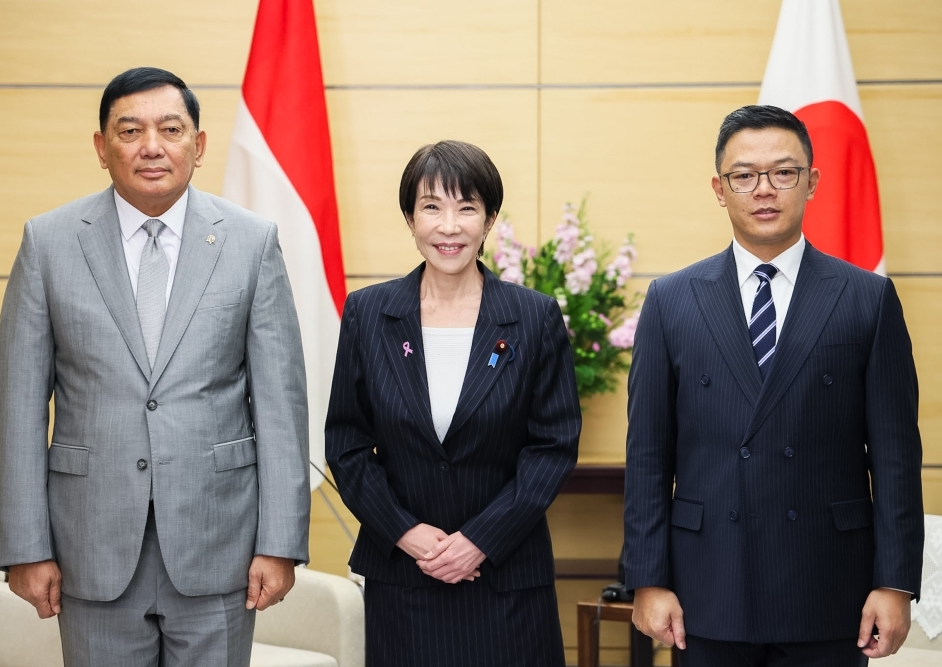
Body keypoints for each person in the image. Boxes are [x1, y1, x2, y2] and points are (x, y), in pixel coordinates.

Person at [0, 67, 310, 665]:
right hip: (91, 546)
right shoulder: (49, 242)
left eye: (170, 129)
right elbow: (18, 408)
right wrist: (25, 546)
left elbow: (281, 405)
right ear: (101, 147)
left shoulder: (251, 242)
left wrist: (282, 542)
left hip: (221, 545)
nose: (151, 146)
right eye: (130, 130)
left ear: (199, 143)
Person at [623, 104, 924, 666]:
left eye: (784, 172)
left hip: (830, 583)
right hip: (707, 583)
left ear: (812, 181)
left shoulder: (866, 298)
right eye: (744, 175)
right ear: (719, 188)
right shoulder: (671, 301)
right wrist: (647, 579)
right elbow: (646, 456)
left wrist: (896, 582)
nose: (764, 189)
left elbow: (896, 457)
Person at [325, 140, 581, 666]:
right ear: (410, 218)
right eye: (432, 207)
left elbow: (552, 448)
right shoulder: (369, 313)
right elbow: (347, 444)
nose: (449, 226)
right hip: (403, 578)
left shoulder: (533, 317)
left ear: (488, 221)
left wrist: (480, 540)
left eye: (467, 208)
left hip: (505, 578)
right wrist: (406, 533)